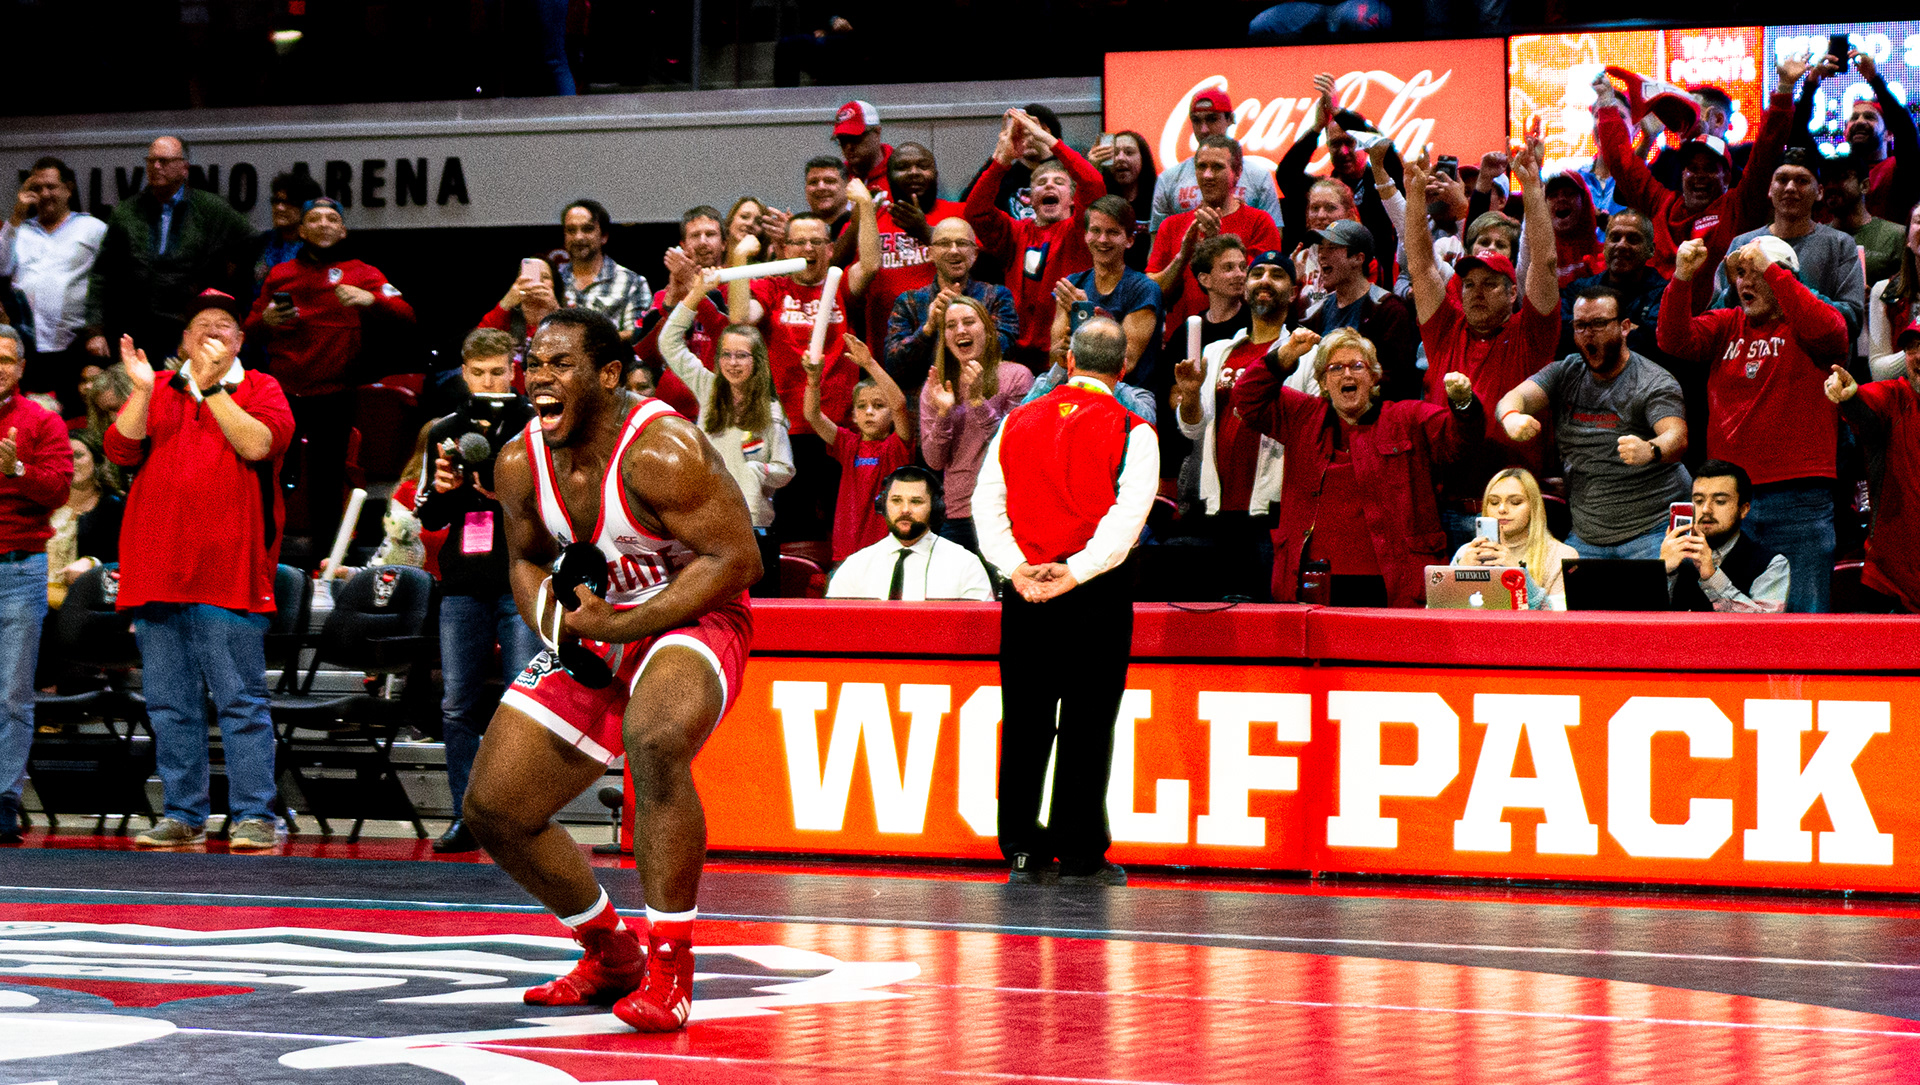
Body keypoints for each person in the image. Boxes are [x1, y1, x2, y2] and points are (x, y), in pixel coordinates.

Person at [465, 307, 761, 1033]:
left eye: (560, 364)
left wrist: (622, 624)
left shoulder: (664, 450)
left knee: (654, 739)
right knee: (494, 807)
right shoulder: (518, 460)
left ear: (605, 375)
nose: (540, 377)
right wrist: (559, 627)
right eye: (534, 363)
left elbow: (739, 561)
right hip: (602, 622)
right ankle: (611, 950)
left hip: (697, 614)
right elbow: (527, 560)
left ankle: (671, 966)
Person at [105, 290, 296, 850]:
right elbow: (120, 449)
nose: (212, 333)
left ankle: (254, 815)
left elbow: (259, 444)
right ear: (184, 341)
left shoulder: (261, 388)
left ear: (239, 342)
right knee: (169, 703)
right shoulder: (158, 389)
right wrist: (142, 391)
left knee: (240, 701)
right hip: (157, 570)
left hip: (229, 573)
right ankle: (183, 813)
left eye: (225, 327)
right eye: (200, 326)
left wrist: (212, 388)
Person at [973, 316, 1157, 887]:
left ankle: (1022, 851)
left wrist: (1017, 568)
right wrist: (1074, 573)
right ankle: (1080, 853)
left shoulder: (1016, 421)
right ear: (1123, 369)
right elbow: (1128, 520)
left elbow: (986, 505)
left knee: (1026, 721)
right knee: (1087, 722)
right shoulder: (1134, 429)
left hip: (1025, 592)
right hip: (1095, 596)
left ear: (1069, 362)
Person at [1657, 236, 1849, 613]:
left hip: (1799, 498)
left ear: (1783, 275)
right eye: (1739, 274)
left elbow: (1831, 332)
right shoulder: (1726, 324)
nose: (1745, 282)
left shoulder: (1811, 324)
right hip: (1727, 501)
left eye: (1755, 271)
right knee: (1727, 616)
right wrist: (1681, 277)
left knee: (1802, 625)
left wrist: (1772, 271)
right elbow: (1673, 339)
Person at [1231, 326, 1483, 607]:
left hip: (1393, 586)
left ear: (1374, 376)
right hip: (1314, 585)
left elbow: (1459, 439)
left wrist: (1463, 404)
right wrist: (1285, 356)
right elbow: (1246, 398)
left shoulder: (1407, 418)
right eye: (1336, 368)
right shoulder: (1301, 416)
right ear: (1323, 382)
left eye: (1357, 366)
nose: (1347, 374)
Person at [411, 329, 540, 854]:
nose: (489, 380)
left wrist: (504, 493)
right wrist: (444, 490)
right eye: (478, 372)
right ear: (464, 373)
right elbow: (429, 511)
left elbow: (556, 509)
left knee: (522, 700)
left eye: (497, 371)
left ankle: (521, 816)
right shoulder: (445, 429)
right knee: (458, 704)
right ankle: (467, 815)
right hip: (463, 582)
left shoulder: (535, 426)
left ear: (513, 370)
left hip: (521, 577)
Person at [1404, 145, 1560, 549]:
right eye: (1469, 283)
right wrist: (1415, 194)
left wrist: (1532, 186)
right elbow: (1420, 266)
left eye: (1490, 284)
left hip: (1515, 510)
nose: (1476, 293)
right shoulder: (1444, 329)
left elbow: (1542, 262)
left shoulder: (1531, 335)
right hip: (1445, 506)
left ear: (1512, 295)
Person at [245, 197, 415, 559]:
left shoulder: (361, 272)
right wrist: (266, 322)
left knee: (326, 483)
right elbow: (247, 330)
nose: (323, 224)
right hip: (283, 395)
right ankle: (262, 557)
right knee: (269, 480)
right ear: (302, 229)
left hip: (335, 394)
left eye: (332, 218)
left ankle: (326, 560)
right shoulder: (280, 274)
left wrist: (369, 300)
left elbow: (406, 315)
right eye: (314, 218)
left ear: (342, 230)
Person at [1591, 58, 1797, 314]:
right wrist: (1607, 103)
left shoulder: (1738, 206)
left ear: (1726, 178)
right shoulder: (1662, 203)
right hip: (1655, 323)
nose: (1700, 176)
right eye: (1692, 168)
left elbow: (1767, 150)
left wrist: (1785, 88)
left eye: (1711, 168)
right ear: (1682, 173)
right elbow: (1621, 162)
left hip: (1716, 325)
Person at [1498, 286, 1690, 561]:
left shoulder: (1652, 381)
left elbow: (1676, 437)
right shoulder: (1567, 371)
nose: (1588, 333)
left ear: (1625, 327)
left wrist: (1650, 450)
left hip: (1651, 530)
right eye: (1580, 325)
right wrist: (1511, 417)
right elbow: (1513, 398)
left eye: (1599, 324)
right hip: (1588, 533)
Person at [734, 189, 880, 544]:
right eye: (798, 242)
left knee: (839, 521)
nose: (808, 249)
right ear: (784, 249)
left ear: (830, 249)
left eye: (817, 241)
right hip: (786, 429)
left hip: (839, 426)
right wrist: (739, 259)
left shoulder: (840, 283)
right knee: (792, 524)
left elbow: (872, 265)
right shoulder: (772, 287)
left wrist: (863, 205)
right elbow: (739, 316)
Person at [1170, 252, 1304, 601]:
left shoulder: (1303, 353)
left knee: (1268, 619)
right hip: (1217, 509)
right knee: (1216, 622)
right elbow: (1192, 430)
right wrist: (1189, 396)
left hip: (1272, 510)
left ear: (1293, 292)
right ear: (1244, 290)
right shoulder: (1216, 352)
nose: (1264, 280)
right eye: (1257, 273)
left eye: (1277, 275)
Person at [659, 249, 796, 589]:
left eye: (742, 356)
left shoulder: (771, 411)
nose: (733, 363)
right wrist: (695, 293)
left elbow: (785, 469)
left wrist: (756, 472)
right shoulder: (707, 387)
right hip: (708, 530)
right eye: (727, 355)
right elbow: (668, 342)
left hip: (754, 531)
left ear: (757, 362)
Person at [0, 324, 74, 843]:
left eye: (6, 358)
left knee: (10, 695)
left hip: (17, 569)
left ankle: (2, 797)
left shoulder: (42, 422)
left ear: (21, 366)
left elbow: (58, 491)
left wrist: (18, 469)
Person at [83, 137, 252, 362]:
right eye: (151, 161)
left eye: (164, 161)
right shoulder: (126, 213)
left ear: (184, 168)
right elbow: (102, 274)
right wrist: (95, 330)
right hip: (135, 325)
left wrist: (225, 282)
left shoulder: (209, 209)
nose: (156, 167)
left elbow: (252, 244)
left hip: (187, 326)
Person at [966, 109, 1106, 370]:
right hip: (1015, 353)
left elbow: (1093, 182)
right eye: (1041, 182)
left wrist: (1048, 140)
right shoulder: (1015, 231)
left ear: (1072, 197)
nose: (1049, 186)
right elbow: (975, 211)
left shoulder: (1079, 231)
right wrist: (1001, 160)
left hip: (1066, 350)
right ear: (1030, 196)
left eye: (1059, 182)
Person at [922, 297, 1035, 552]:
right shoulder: (936, 386)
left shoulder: (1017, 376)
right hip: (960, 513)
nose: (960, 330)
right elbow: (934, 461)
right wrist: (943, 412)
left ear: (987, 330)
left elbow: (1014, 446)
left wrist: (976, 401)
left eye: (969, 322)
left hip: (1008, 511)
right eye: (950, 325)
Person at [1714, 149, 1865, 340]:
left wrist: (1786, 283)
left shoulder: (1840, 244)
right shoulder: (1742, 243)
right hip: (1749, 360)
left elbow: (1851, 321)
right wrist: (1733, 290)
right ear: (1770, 188)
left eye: (1802, 181)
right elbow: (1715, 317)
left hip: (1814, 361)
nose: (1790, 187)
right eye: (1782, 179)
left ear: (1819, 192)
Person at [1146, 136, 1282, 345]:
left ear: (1237, 174)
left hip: (1242, 341)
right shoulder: (1171, 226)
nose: (1207, 175)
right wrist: (1183, 256)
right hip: (1182, 343)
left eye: (1217, 167)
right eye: (1201, 167)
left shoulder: (1260, 223)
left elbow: (1258, 293)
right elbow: (1153, 294)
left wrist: (1214, 244)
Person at [1, 157, 107, 416]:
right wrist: (16, 216)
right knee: (29, 414)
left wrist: (98, 329)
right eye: (37, 188)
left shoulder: (92, 228)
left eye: (51, 187)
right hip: (28, 342)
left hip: (74, 342)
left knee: (75, 414)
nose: (44, 194)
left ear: (68, 189)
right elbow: (1, 267)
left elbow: (110, 281)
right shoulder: (20, 229)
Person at [805, 333, 910, 563]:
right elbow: (812, 415)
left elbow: (900, 404)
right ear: (853, 415)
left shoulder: (896, 447)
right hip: (847, 552)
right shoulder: (848, 444)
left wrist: (869, 364)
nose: (869, 411)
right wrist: (813, 381)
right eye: (862, 406)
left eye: (878, 405)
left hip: (885, 553)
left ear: (891, 415)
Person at [1827, 351, 1920, 611]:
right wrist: (1850, 397)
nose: (1919, 355)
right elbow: (1863, 408)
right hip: (1892, 584)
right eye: (1913, 347)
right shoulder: (1895, 396)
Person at [882, 218, 1019, 395]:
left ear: (975, 254)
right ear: (930, 253)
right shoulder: (908, 302)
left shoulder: (997, 296)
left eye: (962, 243)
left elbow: (1007, 350)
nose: (954, 250)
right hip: (924, 407)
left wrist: (962, 318)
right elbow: (894, 367)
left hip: (984, 398)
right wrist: (928, 329)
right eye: (944, 244)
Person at [826, 466, 993, 601]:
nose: (905, 510)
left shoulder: (965, 565)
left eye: (916, 501)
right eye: (896, 501)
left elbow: (979, 632)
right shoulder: (856, 566)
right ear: (883, 505)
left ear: (935, 508)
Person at [861, 143, 966, 350]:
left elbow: (982, 269)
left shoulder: (959, 213)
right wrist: (861, 215)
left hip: (951, 344)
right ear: (887, 176)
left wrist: (925, 231)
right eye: (903, 167)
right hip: (888, 350)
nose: (914, 173)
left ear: (935, 173)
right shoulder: (871, 220)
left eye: (923, 166)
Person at [1299, 219, 1418, 401]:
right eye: (1321, 248)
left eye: (1331, 248)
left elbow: (1400, 381)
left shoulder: (1388, 309)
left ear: (1358, 258)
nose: (1322, 255)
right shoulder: (1320, 308)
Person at [1058, 196, 1165, 387]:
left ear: (1130, 240)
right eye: (1096, 231)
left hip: (1129, 394)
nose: (1102, 239)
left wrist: (1085, 313)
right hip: (1076, 389)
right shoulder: (1073, 284)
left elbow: (1126, 363)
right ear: (1085, 235)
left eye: (1112, 232)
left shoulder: (1144, 289)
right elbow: (1056, 359)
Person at [1148, 89, 1282, 236]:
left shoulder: (1258, 177)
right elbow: (1157, 246)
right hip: (1186, 257)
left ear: (1230, 119)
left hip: (1241, 257)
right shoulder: (1168, 179)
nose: (1203, 129)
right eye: (1196, 121)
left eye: (1212, 119)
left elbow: (1273, 238)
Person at [1662, 460, 1790, 613]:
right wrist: (1663, 573)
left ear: (1743, 510)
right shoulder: (1675, 555)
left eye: (1720, 501)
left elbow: (1765, 628)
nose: (1706, 509)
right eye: (1698, 500)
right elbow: (1641, 623)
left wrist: (1712, 577)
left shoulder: (1772, 564)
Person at [1451, 468, 1578, 610]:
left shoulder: (1562, 555)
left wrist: (1518, 576)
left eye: (1515, 502)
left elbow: (1561, 622)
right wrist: (1458, 573)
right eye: (1493, 502)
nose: (1502, 509)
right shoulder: (1466, 553)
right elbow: (1437, 613)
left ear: (1533, 507)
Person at [560, 199, 650, 341]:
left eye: (587, 229)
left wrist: (588, 343)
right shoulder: (554, 280)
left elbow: (638, 335)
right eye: (571, 230)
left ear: (604, 236)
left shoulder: (632, 282)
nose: (578, 237)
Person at [1820, 155, 1905, 288]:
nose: (1830, 186)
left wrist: (1877, 298)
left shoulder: (1896, 236)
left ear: (1864, 186)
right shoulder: (1815, 237)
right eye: (1826, 180)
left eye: (1841, 177)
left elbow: (1909, 290)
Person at [247, 171, 321, 303]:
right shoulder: (257, 244)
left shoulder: (320, 249)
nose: (280, 208)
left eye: (290, 203)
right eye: (277, 201)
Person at [1088, 131, 1157, 270]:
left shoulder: (1158, 195)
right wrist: (1091, 169)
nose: (1120, 158)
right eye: (1114, 153)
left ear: (1143, 158)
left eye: (1129, 152)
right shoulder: (1100, 197)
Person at [478, 254, 561, 365]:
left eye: (545, 277)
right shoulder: (505, 316)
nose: (538, 282)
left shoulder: (564, 315)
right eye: (528, 276)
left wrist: (556, 310)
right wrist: (505, 303)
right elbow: (478, 343)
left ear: (554, 284)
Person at [834, 100, 893, 199]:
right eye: (842, 140)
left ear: (877, 133)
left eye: (855, 138)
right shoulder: (838, 177)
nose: (848, 147)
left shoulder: (900, 172)